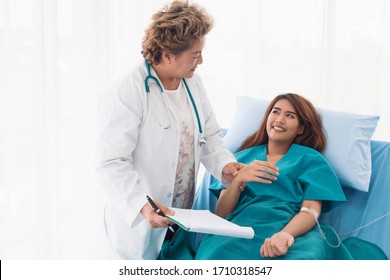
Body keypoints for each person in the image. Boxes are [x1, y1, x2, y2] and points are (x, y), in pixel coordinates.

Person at [96, 0, 244, 260]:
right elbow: (111, 162)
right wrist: (143, 205)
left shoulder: (193, 84)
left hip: (179, 219)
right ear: (167, 55)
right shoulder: (129, 91)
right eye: (195, 55)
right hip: (141, 224)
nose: (201, 60)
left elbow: (209, 136)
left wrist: (225, 166)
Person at [158, 93, 388, 260]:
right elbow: (222, 214)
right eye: (275, 112)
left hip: (293, 229)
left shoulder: (311, 159)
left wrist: (285, 235)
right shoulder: (239, 157)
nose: (279, 119)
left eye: (290, 116)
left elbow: (311, 210)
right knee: (216, 257)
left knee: (303, 262)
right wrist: (239, 179)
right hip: (239, 228)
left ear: (301, 128)